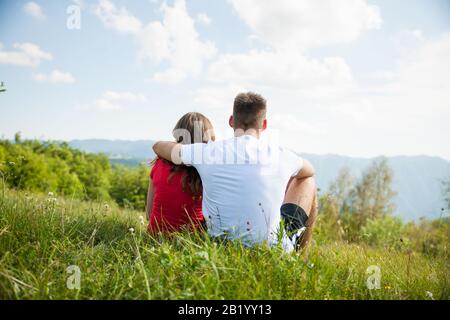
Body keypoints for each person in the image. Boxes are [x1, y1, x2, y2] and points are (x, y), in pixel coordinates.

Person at [153, 92, 317, 252]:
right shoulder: (281, 155)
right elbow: (309, 171)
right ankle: (301, 256)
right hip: (270, 250)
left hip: (220, 246)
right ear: (264, 124)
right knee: (307, 180)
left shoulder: (207, 152)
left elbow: (158, 147)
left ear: (231, 121)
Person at [146, 112, 215, 234]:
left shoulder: (159, 164)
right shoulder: (205, 169)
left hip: (155, 235)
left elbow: (148, 214)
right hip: (192, 239)